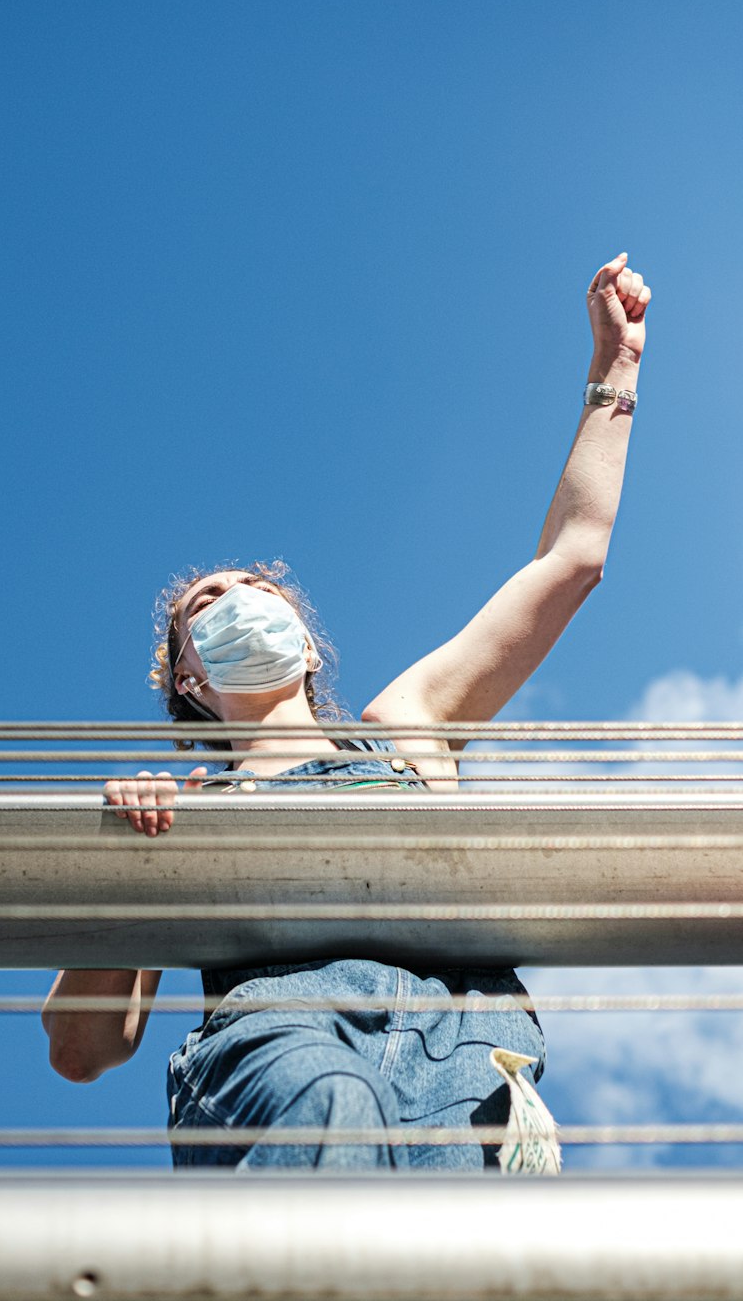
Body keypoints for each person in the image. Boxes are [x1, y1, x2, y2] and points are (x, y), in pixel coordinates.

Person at [42, 252, 651, 1170]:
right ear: (189, 681)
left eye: (256, 587)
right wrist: (128, 863)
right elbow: (82, 1049)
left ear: (307, 638)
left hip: (466, 1069)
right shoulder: (186, 810)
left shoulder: (406, 723)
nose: (241, 597)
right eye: (207, 604)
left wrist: (618, 368)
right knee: (331, 1099)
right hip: (279, 1048)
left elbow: (571, 560)